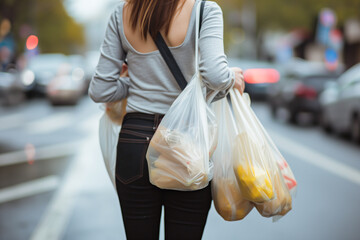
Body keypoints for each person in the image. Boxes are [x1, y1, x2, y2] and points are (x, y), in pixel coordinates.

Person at [89, 0, 245, 239]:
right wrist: (231, 77)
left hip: (135, 141)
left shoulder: (122, 13)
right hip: (187, 143)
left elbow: (100, 90)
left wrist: (137, 82)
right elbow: (215, 75)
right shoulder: (205, 10)